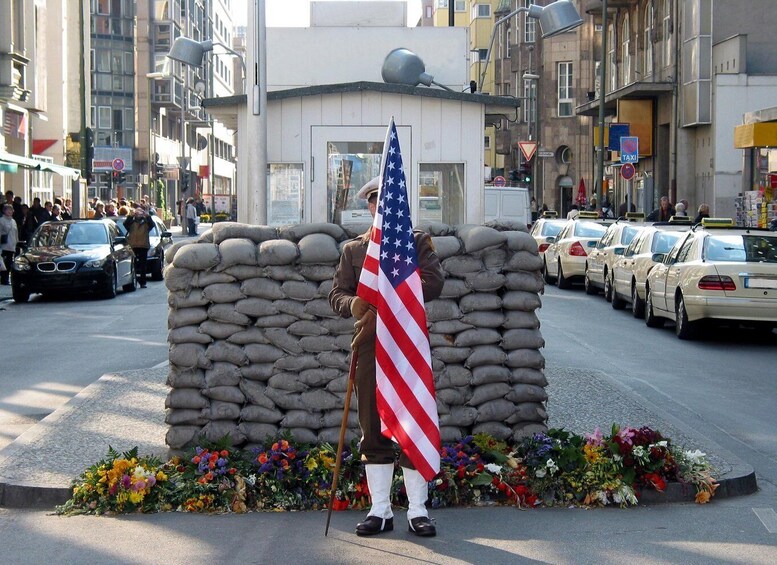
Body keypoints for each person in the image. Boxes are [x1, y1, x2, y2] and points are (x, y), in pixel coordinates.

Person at [329, 176, 445, 538]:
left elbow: (434, 283)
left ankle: (417, 510)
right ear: (369, 207)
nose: (382, 207)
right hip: (370, 346)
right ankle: (380, 511)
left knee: (412, 422)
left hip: (407, 347)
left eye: (390, 201)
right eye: (376, 202)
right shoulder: (354, 250)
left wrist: (394, 294)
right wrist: (353, 303)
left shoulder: (416, 243)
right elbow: (336, 294)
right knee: (372, 429)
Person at [123, 206, 154, 288]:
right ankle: (133, 280)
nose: (139, 214)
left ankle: (143, 282)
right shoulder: (131, 222)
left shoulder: (146, 223)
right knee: (133, 264)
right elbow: (125, 224)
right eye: (137, 213)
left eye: (141, 213)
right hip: (133, 245)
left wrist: (148, 216)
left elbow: (152, 225)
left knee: (143, 265)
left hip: (143, 246)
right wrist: (130, 216)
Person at [0, 203, 19, 285]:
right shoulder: (1, 220)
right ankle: (4, 279)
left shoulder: (13, 221)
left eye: (11, 210)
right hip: (4, 245)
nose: (10, 211)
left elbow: (16, 233)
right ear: (4, 211)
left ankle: (6, 278)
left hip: (12, 245)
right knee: (4, 263)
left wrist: (17, 242)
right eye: (8, 210)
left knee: (9, 263)